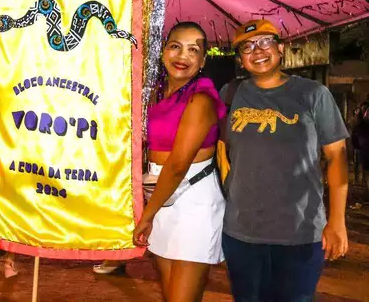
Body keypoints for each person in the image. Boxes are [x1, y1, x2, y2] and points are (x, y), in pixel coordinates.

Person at [220, 20, 349, 301]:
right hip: (241, 233)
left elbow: (337, 158)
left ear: (281, 49)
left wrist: (337, 221)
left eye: (265, 42)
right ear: (240, 59)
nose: (257, 51)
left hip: (300, 233)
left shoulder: (313, 94)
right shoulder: (230, 95)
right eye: (247, 46)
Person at [133, 22, 226, 301]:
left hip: (192, 202)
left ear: (203, 60)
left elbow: (176, 166)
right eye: (175, 46)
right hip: (158, 195)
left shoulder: (200, 100)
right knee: (170, 292)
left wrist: (147, 216)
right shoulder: (155, 93)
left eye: (193, 50)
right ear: (164, 51)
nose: (182, 56)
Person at [351, 102, 369, 194]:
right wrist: (356, 146)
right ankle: (360, 182)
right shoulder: (358, 123)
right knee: (362, 167)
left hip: (364, 148)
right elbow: (354, 135)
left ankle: (364, 183)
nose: (364, 111)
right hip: (362, 149)